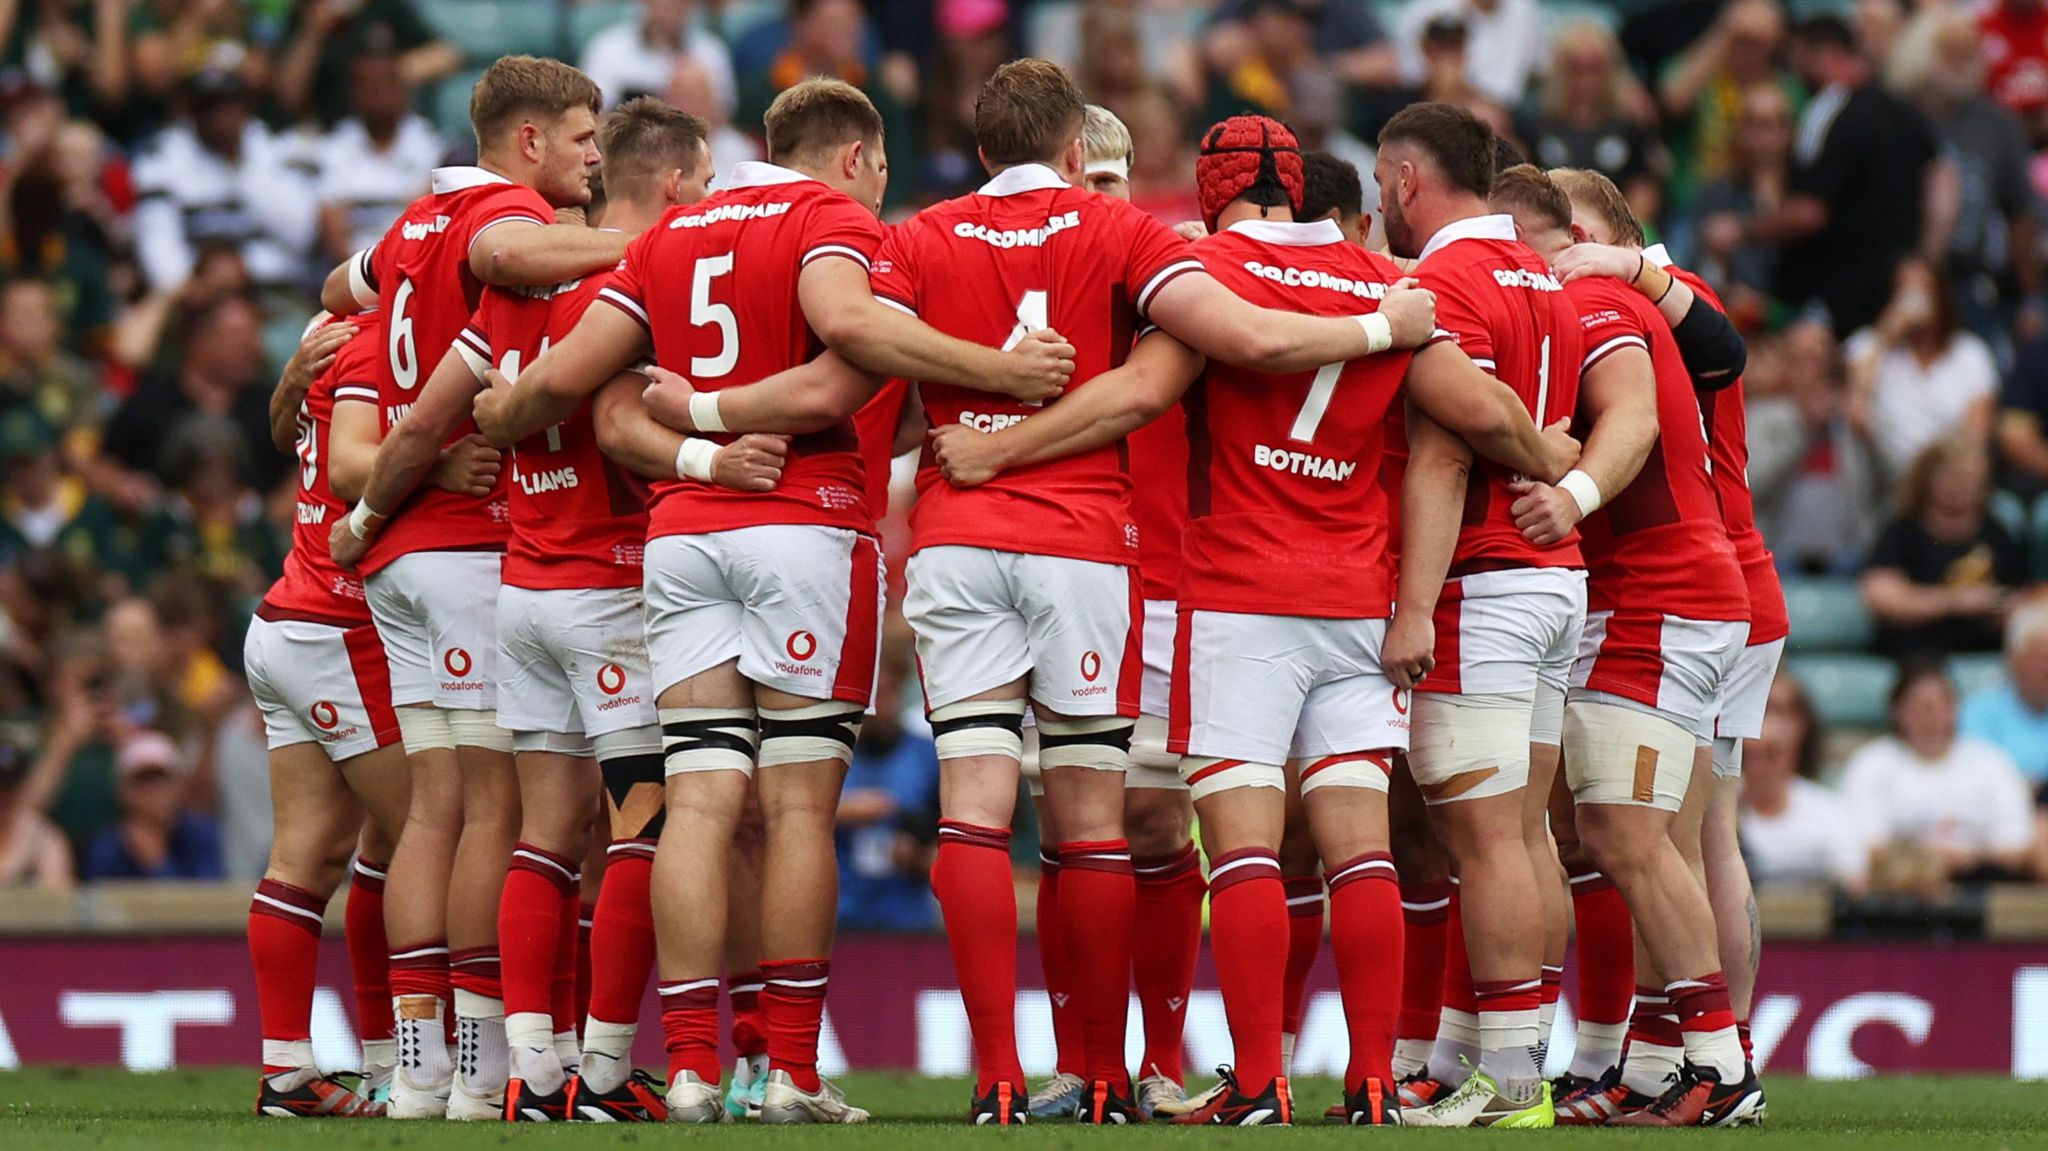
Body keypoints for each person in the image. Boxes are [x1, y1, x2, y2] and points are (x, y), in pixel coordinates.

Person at [925, 109, 1575, 1127]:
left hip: (1232, 594)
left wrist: (999, 447)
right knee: (1356, 846)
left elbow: (1141, 393)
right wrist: (1557, 464)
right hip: (1355, 599)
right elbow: (1481, 412)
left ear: (1210, 188)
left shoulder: (1201, 276)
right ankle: (1368, 1082)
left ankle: (1257, 1078)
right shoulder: (1382, 284)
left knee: (1241, 852)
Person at [467, 75, 1079, 1126]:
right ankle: (788, 1066)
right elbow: (847, 354)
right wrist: (998, 369)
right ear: (857, 160)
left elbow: (577, 393)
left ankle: (697, 1064)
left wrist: (498, 407)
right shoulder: (830, 222)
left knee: (698, 801)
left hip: (681, 532)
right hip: (803, 523)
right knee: (795, 803)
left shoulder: (672, 235)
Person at [320, 54, 639, 1123]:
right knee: (487, 812)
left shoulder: (415, 219)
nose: (596, 158)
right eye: (584, 138)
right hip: (462, 546)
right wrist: (668, 241)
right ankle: (472, 1062)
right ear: (529, 140)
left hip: (408, 542)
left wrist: (366, 515)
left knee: (430, 813)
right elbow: (507, 254)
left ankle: (420, 1064)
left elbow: (339, 291)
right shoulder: (499, 214)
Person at [1368, 109, 1589, 1127]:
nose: (1377, 200)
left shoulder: (1443, 283)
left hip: (1485, 579)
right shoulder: (1541, 276)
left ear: (1408, 179)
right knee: (1528, 834)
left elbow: (1446, 451)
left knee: (1485, 835)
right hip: (1553, 575)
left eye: (1381, 181)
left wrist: (1412, 607)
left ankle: (1508, 1082)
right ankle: (1514, 1055)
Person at [1546, 182, 1781, 1124]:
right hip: (1702, 586)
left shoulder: (1657, 292)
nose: (1563, 254)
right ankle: (1660, 1057)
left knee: (1685, 835)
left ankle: (1720, 1056)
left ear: (1617, 236)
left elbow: (1727, 344)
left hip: (1705, 584)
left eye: (1577, 237)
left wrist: (1626, 265)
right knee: (1665, 835)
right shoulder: (1609, 306)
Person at [241, 315, 410, 1118]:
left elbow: (283, 434)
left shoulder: (331, 326)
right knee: (433, 836)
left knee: (310, 856)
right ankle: (404, 1063)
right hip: (340, 626)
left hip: (285, 619)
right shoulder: (402, 340)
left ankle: (287, 1071)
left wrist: (287, 383)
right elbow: (351, 473)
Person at [1752, 14, 1939, 337]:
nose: (1795, 73)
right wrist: (1925, 257)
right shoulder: (1903, 111)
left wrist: (1743, 231)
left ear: (1822, 55)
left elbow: (1809, 213)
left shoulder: (1826, 111)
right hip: (1893, 289)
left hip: (1834, 293)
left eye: (1798, 59)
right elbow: (1944, 184)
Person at [1842, 663, 2037, 888]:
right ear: (1896, 711)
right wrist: (1928, 859)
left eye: (1939, 706)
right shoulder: (1871, 763)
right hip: (1899, 890)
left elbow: (2018, 846)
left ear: (1955, 708)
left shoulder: (1991, 762)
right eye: (1919, 707)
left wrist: (1972, 857)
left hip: (1979, 882)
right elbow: (1865, 845)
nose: (1930, 717)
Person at [130, 69, 315, 295]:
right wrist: (198, 286)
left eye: (230, 104)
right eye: (209, 105)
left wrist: (246, 268)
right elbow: (159, 248)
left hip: (273, 292)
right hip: (196, 297)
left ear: (247, 106)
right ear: (190, 110)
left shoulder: (275, 150)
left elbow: (302, 236)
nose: (221, 115)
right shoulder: (162, 158)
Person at [1861, 434, 2022, 661]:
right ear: (1926, 479)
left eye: (1969, 477)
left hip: (1988, 654)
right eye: (1952, 476)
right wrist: (1955, 601)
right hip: (1915, 655)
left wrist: (2004, 606)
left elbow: (2021, 593)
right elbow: (1880, 596)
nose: (1961, 485)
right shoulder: (1902, 531)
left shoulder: (1996, 533)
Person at [1843, 258, 1999, 484]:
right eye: (1904, 289)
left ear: (1940, 295)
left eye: (1923, 288)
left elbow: (1976, 433)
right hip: (1881, 474)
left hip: (1948, 476)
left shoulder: (1970, 352)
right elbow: (1855, 406)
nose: (1914, 298)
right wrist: (1888, 334)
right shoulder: (1868, 344)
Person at [835, 631, 941, 932]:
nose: (879, 707)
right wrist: (841, 813)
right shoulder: (829, 755)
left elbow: (950, 843)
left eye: (887, 693)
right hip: (838, 922)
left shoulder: (927, 756)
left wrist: (920, 858)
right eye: (871, 697)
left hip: (909, 924)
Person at [1520, 24, 1663, 224]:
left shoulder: (1628, 128)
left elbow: (1644, 191)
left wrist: (1620, 233)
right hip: (1549, 228)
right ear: (1560, 71)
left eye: (1595, 69)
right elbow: (1520, 190)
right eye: (1576, 68)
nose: (1586, 80)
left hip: (1614, 233)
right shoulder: (1534, 127)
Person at [1738, 674, 1869, 894]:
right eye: (1753, 755)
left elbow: (1855, 883)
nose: (1762, 766)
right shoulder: (1717, 809)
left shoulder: (1830, 810)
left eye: (1772, 754)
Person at [314, 53, 444, 265]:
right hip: (351, 272)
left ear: (403, 89)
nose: (377, 92)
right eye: (368, 84)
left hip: (410, 269)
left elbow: (430, 221)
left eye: (385, 83)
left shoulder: (429, 144)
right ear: (353, 93)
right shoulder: (335, 147)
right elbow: (331, 223)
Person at [275, 0, 459, 128]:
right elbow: (287, 94)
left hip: (390, 132)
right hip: (329, 136)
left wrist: (386, 76)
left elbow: (447, 56)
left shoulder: (384, 8)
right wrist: (313, 32)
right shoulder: (307, 12)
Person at [81, 730, 223, 880]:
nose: (155, 792)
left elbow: (207, 899)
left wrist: (158, 864)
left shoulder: (203, 837)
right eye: (143, 782)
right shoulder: (106, 849)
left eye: (162, 780)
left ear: (179, 786)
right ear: (123, 792)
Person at [580, 0, 737, 113]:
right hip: (627, 147)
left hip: (696, 142)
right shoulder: (607, 49)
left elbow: (723, 113)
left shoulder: (711, 51)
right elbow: (593, 116)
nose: (671, 6)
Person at [1395, 0, 1542, 109]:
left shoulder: (1525, 10)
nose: (1450, 57)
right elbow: (1407, 69)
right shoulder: (1428, 7)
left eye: (1455, 49)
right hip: (1426, 99)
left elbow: (1541, 67)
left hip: (1505, 111)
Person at [1961, 605, 2048, 787]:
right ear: (2012, 660)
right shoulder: (1978, 712)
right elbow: (1972, 777)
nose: (2045, 670)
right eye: (2038, 659)